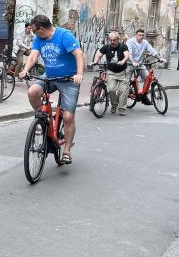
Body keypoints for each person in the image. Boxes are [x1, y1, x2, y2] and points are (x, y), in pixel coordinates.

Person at [19, 14, 84, 165]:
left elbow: (79, 55)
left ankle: (67, 151)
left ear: (42, 29)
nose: (34, 34)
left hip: (69, 80)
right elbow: (33, 57)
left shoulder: (64, 36)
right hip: (50, 76)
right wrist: (25, 70)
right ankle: (42, 119)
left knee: (68, 117)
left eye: (35, 31)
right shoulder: (39, 39)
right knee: (32, 92)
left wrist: (79, 74)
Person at [92, 32, 130, 116]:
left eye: (114, 40)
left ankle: (122, 108)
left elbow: (127, 55)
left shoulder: (123, 46)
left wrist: (123, 61)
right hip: (111, 72)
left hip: (122, 72)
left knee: (123, 91)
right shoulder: (107, 47)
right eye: (111, 40)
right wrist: (95, 61)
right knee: (111, 90)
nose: (112, 42)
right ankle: (114, 105)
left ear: (118, 39)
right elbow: (99, 54)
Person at [126, 29, 163, 105]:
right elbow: (129, 53)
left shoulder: (145, 42)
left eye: (143, 35)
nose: (141, 36)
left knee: (148, 78)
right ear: (136, 35)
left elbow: (152, 50)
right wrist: (133, 62)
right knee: (126, 81)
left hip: (140, 64)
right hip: (130, 64)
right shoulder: (130, 42)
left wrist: (159, 58)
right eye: (139, 35)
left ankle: (143, 96)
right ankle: (127, 91)